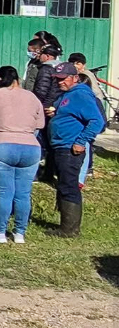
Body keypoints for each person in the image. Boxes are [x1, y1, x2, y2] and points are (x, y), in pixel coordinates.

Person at [0, 66, 45, 244]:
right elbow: (41, 123)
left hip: (2, 144)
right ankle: (20, 233)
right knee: (23, 193)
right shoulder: (32, 97)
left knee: (5, 192)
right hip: (30, 146)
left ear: (0, 79)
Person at [45, 62, 105, 238]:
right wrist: (55, 114)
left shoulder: (80, 95)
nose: (59, 82)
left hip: (70, 148)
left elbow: (97, 121)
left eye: (63, 79)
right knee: (64, 183)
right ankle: (66, 225)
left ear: (75, 78)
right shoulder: (67, 95)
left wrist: (81, 141)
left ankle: (69, 229)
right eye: (57, 79)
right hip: (60, 146)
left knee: (69, 185)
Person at [69, 52, 104, 183]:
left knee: (86, 144)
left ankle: (84, 173)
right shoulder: (72, 76)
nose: (75, 65)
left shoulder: (86, 77)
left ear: (83, 65)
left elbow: (96, 96)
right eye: (72, 62)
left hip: (87, 115)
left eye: (78, 63)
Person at [31, 43, 62, 179]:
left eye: (41, 54)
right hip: (57, 108)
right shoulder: (62, 68)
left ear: (48, 56)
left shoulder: (46, 69)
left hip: (44, 108)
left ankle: (37, 173)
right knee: (52, 142)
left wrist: (36, 106)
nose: (39, 57)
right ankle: (50, 172)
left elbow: (41, 91)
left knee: (39, 140)